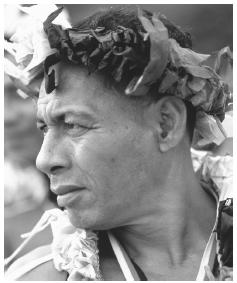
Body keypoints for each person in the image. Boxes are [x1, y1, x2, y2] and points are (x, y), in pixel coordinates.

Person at [4, 4, 233, 281]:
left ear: (166, 124)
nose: (45, 160)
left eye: (73, 125)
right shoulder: (40, 276)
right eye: (44, 128)